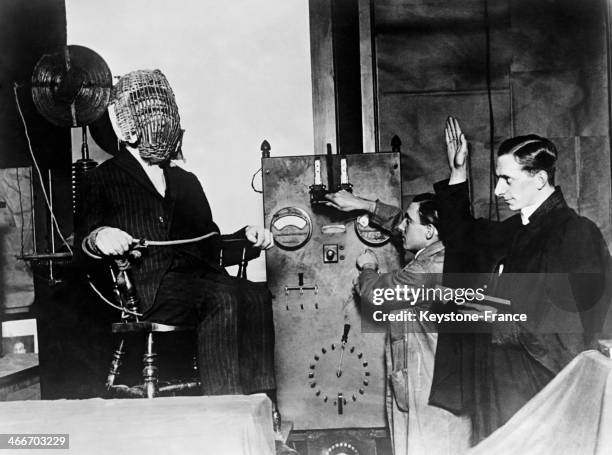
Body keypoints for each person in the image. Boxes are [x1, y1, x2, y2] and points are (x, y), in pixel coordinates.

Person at [75, 69, 277, 399]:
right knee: (221, 298)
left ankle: (257, 407)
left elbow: (209, 246)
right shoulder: (103, 178)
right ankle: (222, 410)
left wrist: (247, 237)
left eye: (161, 110)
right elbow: (83, 244)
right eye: (147, 112)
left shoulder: (186, 182)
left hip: (197, 281)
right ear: (128, 125)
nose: (157, 120)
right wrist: (101, 236)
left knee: (257, 295)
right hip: (149, 293)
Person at [430, 117, 611, 443]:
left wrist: (495, 317)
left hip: (541, 391)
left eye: (507, 180)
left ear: (540, 179)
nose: (498, 191)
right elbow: (463, 239)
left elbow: (576, 327)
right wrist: (458, 173)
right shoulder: (518, 229)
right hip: (499, 384)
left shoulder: (575, 233)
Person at [325, 191, 471, 455]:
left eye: (409, 221)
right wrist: (362, 204)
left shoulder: (428, 268)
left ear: (429, 231)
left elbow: (375, 293)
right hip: (420, 374)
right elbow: (399, 222)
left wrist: (368, 268)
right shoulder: (438, 252)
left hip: (428, 380)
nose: (401, 227)